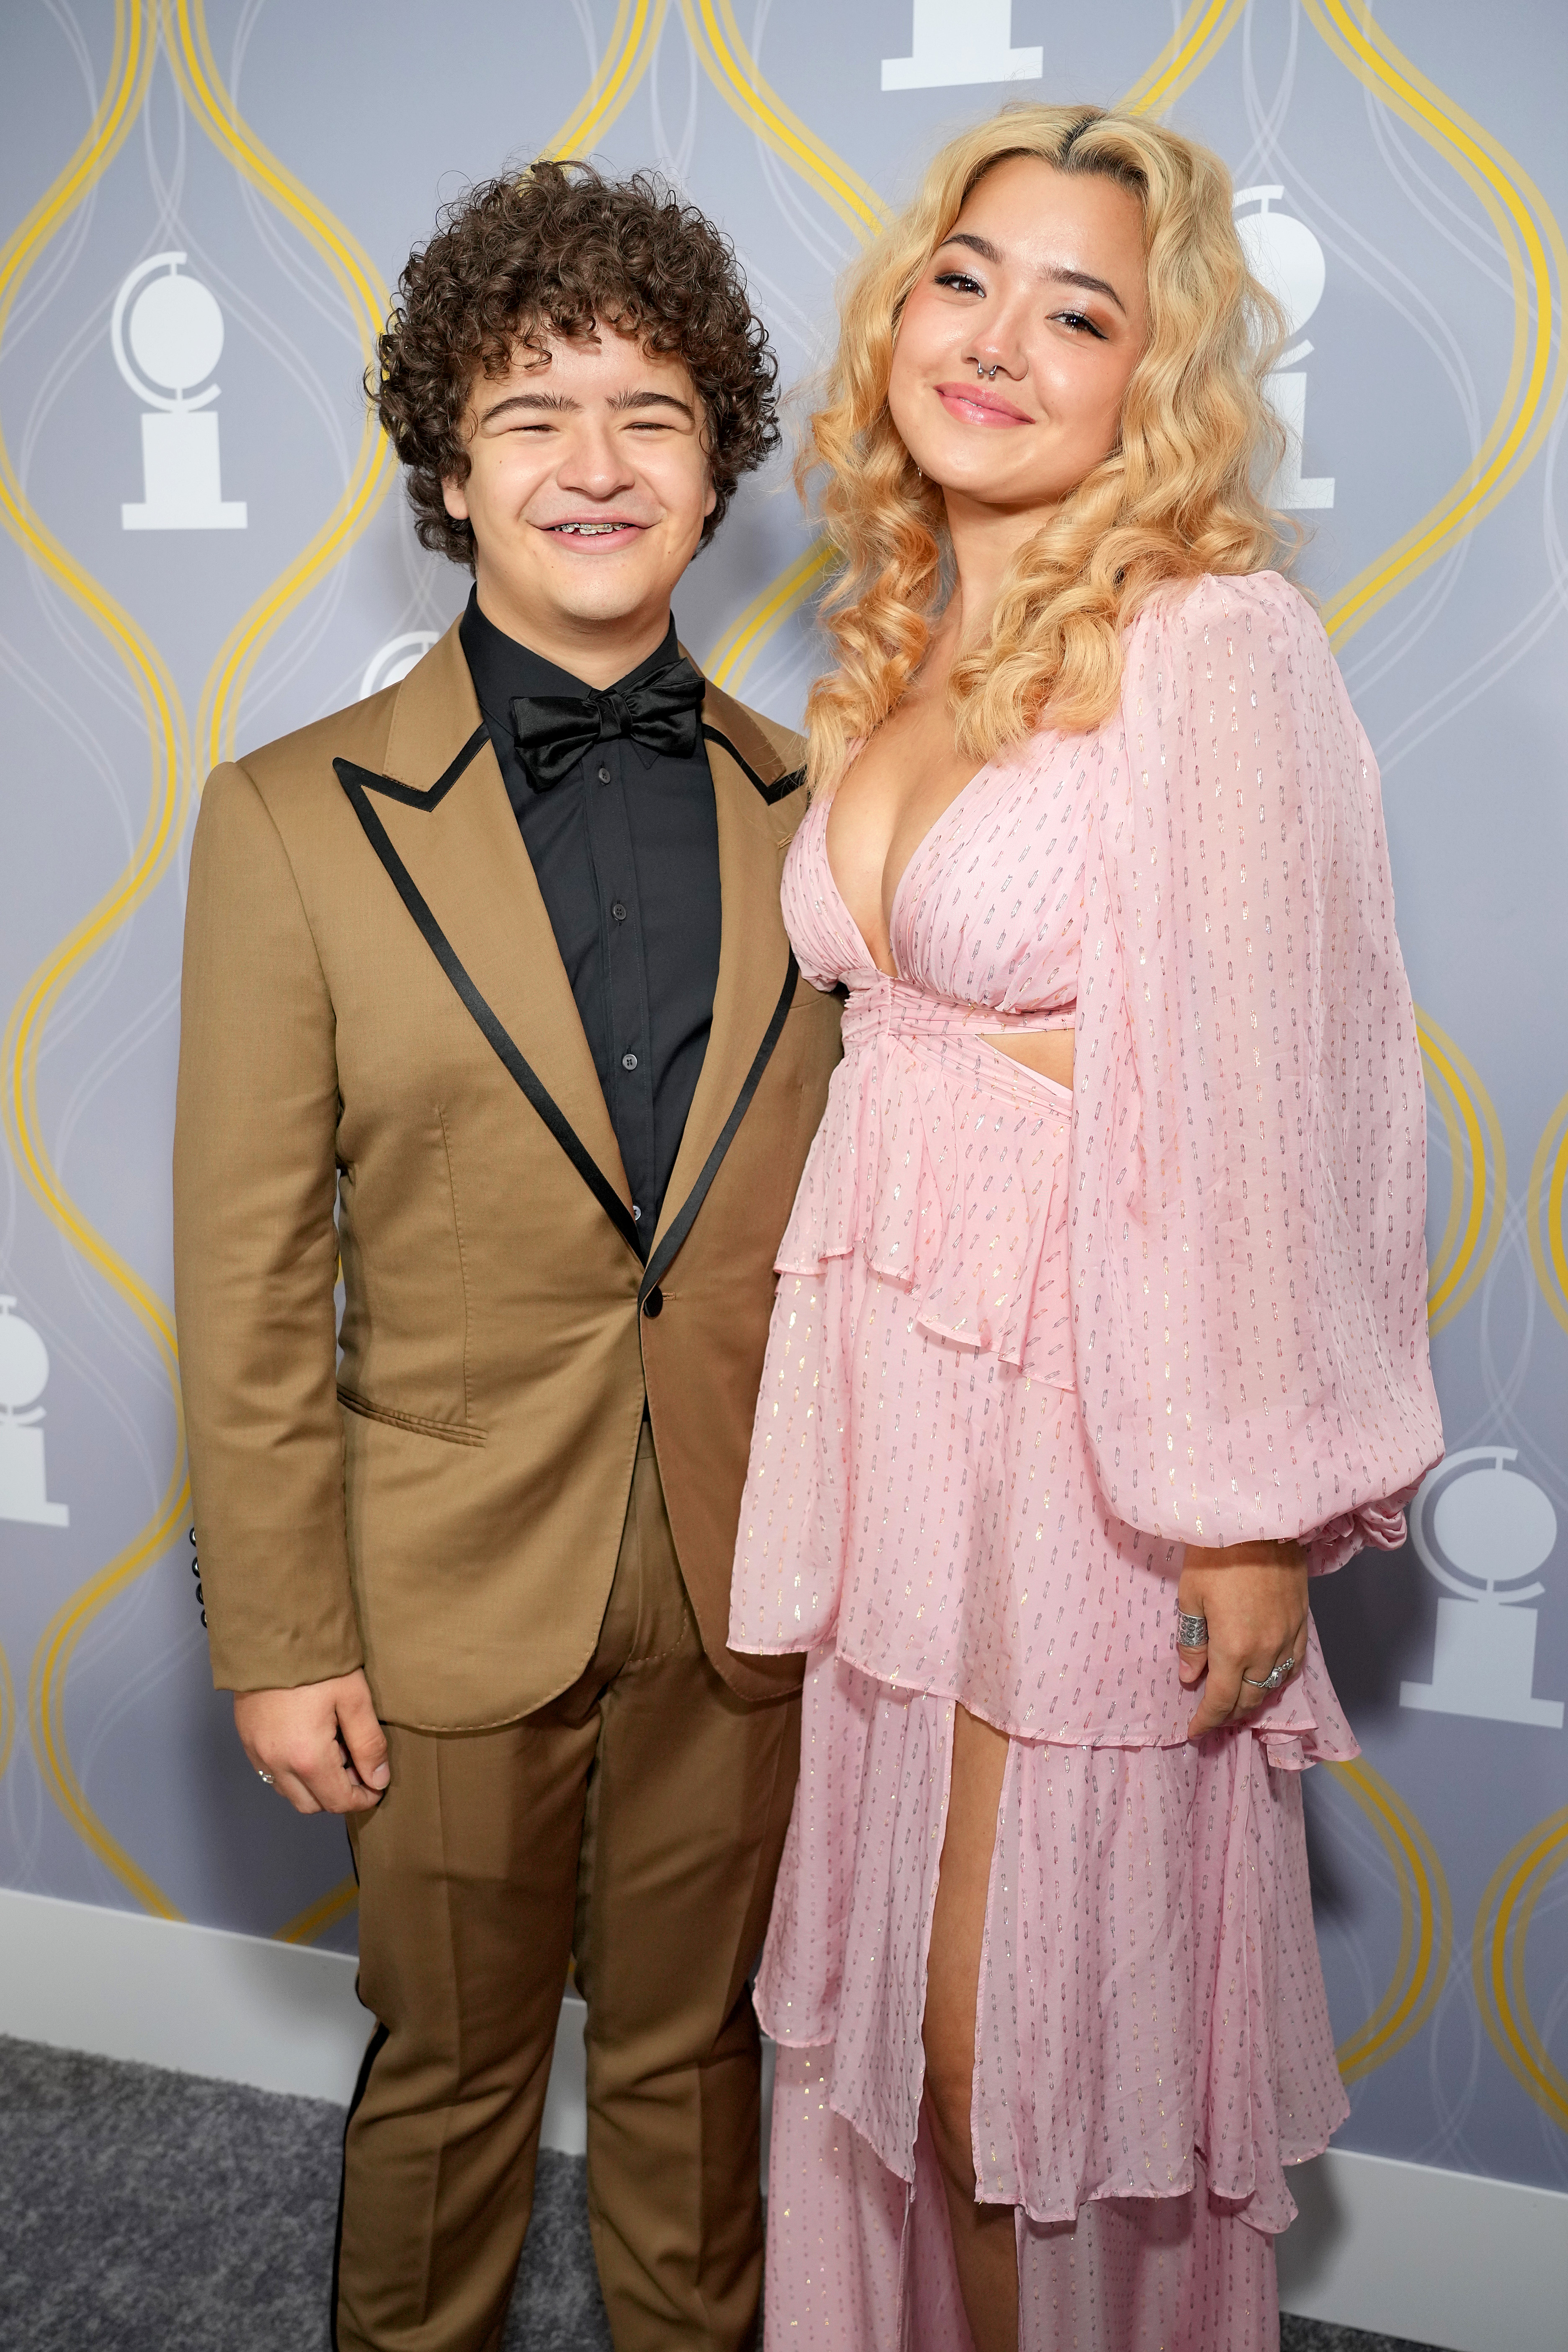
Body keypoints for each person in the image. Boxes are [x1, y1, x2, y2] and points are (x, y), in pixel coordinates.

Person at [728, 105, 1442, 2352]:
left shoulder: (1215, 644)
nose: (1002, 340)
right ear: (899, 310)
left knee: (1006, 2053)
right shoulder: (908, 642)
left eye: (1082, 310)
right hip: (897, 1406)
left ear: (1160, 382)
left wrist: (1246, 1509)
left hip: (1094, 1433)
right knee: (895, 2069)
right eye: (967, 277)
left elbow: (1291, 1104)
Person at [173, 162, 841, 2352]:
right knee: (453, 2071)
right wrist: (280, 1629)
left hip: (746, 1568)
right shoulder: (290, 819)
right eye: (534, 410)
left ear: (717, 467)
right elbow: (253, 1273)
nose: (594, 462)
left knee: (693, 2059)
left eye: (651, 412)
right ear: (449, 469)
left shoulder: (823, 811)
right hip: (441, 1575)